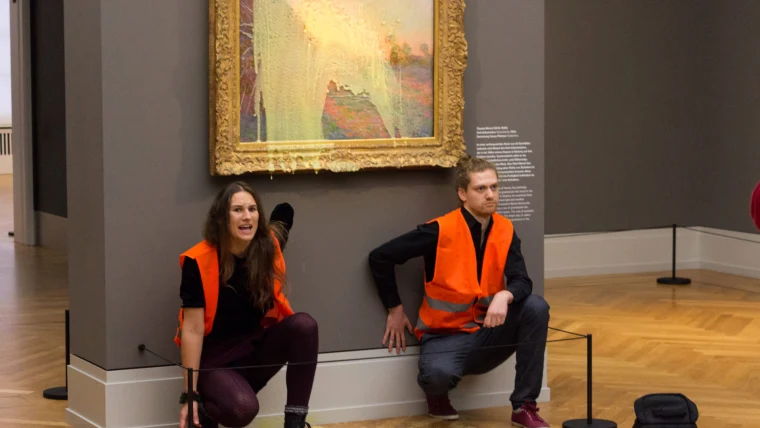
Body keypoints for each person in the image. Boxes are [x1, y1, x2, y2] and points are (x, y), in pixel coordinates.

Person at [368, 154, 551, 428]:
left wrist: (504, 296)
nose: (490, 195)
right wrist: (395, 308)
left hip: (489, 331)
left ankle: (524, 406)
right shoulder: (439, 230)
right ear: (462, 194)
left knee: (536, 307)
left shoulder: (505, 229)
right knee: (436, 377)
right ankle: (437, 395)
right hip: (445, 336)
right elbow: (380, 257)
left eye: (494, 187)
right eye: (481, 188)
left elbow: (522, 280)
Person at [174, 182, 318, 428]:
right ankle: (207, 410)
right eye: (237, 210)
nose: (247, 216)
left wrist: (284, 214)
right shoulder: (197, 262)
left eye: (252, 209)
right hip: (215, 361)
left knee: (305, 325)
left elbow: (281, 227)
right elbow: (192, 331)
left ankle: (295, 425)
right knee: (243, 408)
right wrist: (190, 395)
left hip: (255, 351)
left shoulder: (266, 247)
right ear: (221, 218)